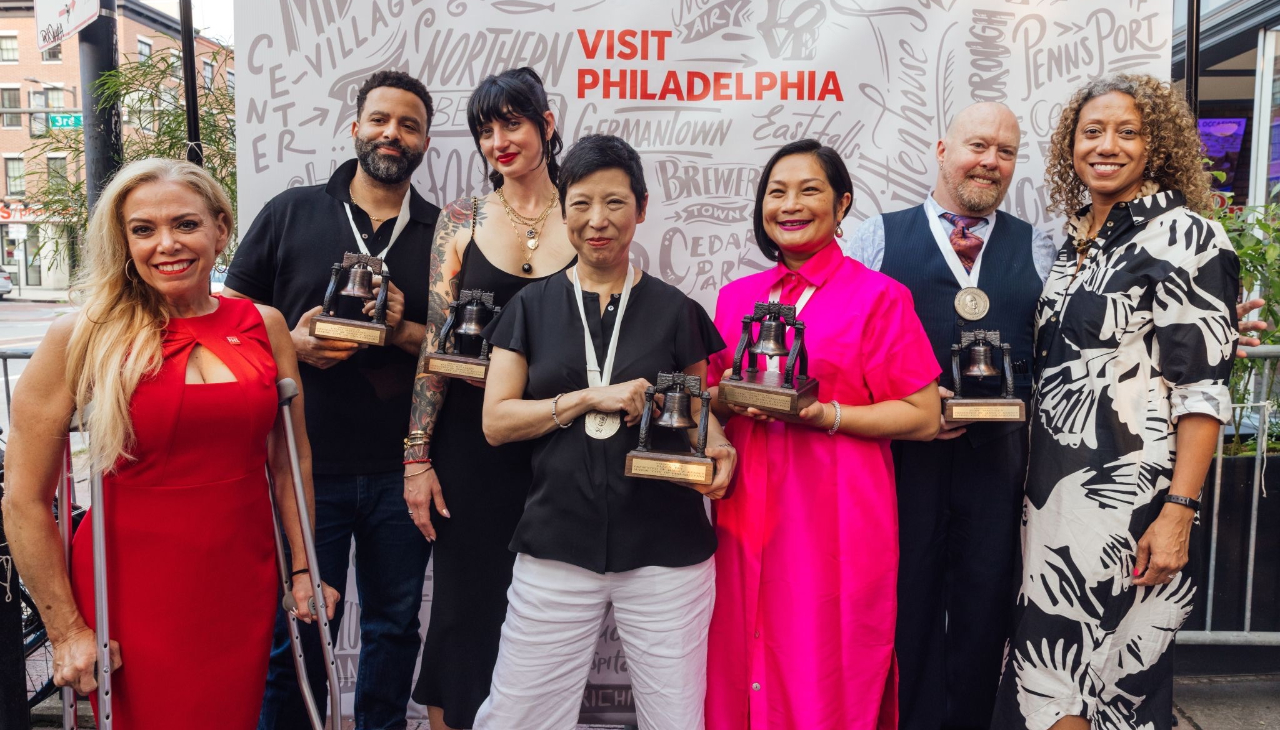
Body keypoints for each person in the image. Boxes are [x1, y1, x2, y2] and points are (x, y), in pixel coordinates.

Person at [0, 158, 337, 729]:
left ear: (220, 230)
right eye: (143, 229)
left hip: (240, 577)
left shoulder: (265, 325)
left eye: (185, 224)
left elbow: (289, 459)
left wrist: (303, 567)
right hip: (132, 588)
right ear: (123, 240)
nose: (166, 245)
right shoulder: (82, 336)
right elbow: (23, 500)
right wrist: (66, 630)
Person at [991, 74, 1238, 730]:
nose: (1107, 145)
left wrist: (1178, 514)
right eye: (1092, 131)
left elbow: (1203, 390)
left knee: (1109, 684)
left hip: (1130, 505)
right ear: (1071, 143)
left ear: (1155, 145)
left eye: (1127, 132)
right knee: (1050, 678)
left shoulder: (1186, 239)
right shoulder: (1076, 240)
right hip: (1050, 502)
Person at [471, 134, 736, 730]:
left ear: (641, 208)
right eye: (582, 203)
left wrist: (719, 447)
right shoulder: (531, 308)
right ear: (562, 210)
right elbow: (496, 421)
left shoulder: (676, 310)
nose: (598, 221)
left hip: (666, 550)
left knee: (675, 716)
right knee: (519, 716)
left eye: (615, 203)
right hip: (555, 544)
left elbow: (697, 407)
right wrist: (590, 397)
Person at [223, 70, 441, 730]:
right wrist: (290, 340)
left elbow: (469, 350)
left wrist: (403, 330)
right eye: (380, 120)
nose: (391, 134)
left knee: (395, 626)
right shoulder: (291, 211)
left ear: (426, 141)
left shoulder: (444, 238)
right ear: (355, 127)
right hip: (301, 468)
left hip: (400, 470)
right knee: (297, 628)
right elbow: (227, 318)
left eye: (408, 124)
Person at [705, 138, 942, 730]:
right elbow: (707, 400)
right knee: (739, 660)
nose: (790, 204)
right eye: (776, 192)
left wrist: (825, 414)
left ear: (842, 205)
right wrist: (727, 400)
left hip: (836, 518)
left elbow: (923, 413)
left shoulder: (880, 298)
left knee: (825, 670)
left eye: (808, 190)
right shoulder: (737, 300)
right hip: (744, 516)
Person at [843, 102, 1057, 730]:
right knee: (902, 610)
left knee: (985, 611)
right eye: (977, 145)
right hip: (901, 462)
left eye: (1006, 152)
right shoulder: (877, 237)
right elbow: (843, 342)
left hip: (999, 467)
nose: (990, 161)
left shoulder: (1040, 247)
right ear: (941, 150)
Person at [403, 67, 577, 730]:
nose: (498, 140)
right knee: (464, 606)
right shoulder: (461, 220)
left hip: (558, 446)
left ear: (546, 125)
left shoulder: (585, 212)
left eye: (512, 123)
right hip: (469, 449)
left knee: (549, 616)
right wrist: (416, 457)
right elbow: (434, 348)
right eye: (485, 129)